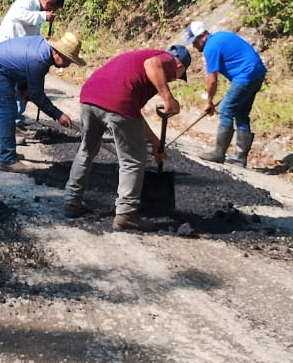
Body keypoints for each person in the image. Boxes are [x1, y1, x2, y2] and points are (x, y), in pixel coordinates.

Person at [63, 45, 192, 232]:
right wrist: (168, 98)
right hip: (116, 101)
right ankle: (127, 214)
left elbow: (133, 115)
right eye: (178, 76)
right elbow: (153, 64)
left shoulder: (137, 61)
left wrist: (156, 143)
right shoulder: (165, 60)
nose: (173, 79)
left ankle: (72, 201)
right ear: (179, 66)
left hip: (90, 96)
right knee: (132, 160)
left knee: (86, 150)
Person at [0, 31, 84, 172]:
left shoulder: (44, 51)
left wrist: (24, 87)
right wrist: (58, 115)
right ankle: (8, 160)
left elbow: (22, 64)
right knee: (7, 112)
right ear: (57, 53)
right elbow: (37, 94)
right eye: (67, 60)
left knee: (6, 112)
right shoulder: (39, 59)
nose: (68, 64)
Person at [187, 20, 267, 167]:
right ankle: (240, 158)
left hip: (245, 75)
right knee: (241, 114)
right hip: (257, 73)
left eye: (195, 41)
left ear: (203, 35)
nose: (194, 45)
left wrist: (209, 102)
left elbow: (212, 80)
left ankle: (218, 152)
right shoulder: (221, 36)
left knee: (225, 109)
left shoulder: (210, 47)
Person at [0, 0, 65, 125]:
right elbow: (17, 14)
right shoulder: (27, 2)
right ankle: (10, 127)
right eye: (54, 10)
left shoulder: (38, 12)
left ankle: (15, 123)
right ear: (48, 4)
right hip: (5, 55)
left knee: (22, 92)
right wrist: (43, 16)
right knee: (9, 94)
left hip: (20, 58)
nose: (53, 14)